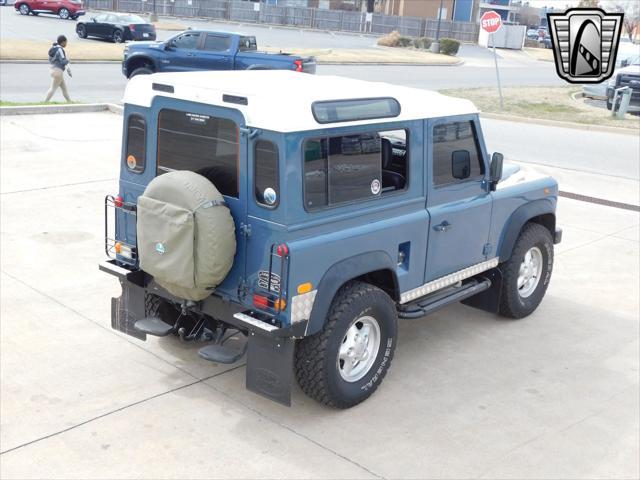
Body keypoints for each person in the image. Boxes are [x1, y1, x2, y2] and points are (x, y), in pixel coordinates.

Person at [44, 35, 73, 103]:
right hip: (58, 71)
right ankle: (44, 102)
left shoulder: (53, 48)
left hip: (52, 69)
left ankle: (69, 102)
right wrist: (68, 60)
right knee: (53, 88)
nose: (66, 44)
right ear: (62, 42)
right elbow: (63, 61)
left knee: (64, 88)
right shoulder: (60, 49)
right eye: (66, 42)